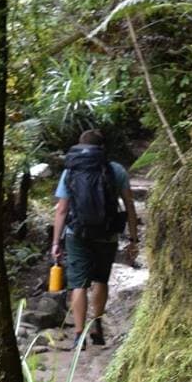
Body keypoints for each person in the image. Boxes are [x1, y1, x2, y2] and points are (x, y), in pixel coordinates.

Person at [50, 129, 139, 346]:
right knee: (100, 279)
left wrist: (55, 242)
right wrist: (134, 238)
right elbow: (129, 205)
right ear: (102, 147)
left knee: (78, 283)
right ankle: (96, 324)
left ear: (80, 146)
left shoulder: (70, 170)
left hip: (76, 234)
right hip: (107, 234)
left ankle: (79, 334)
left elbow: (62, 209)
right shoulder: (116, 170)